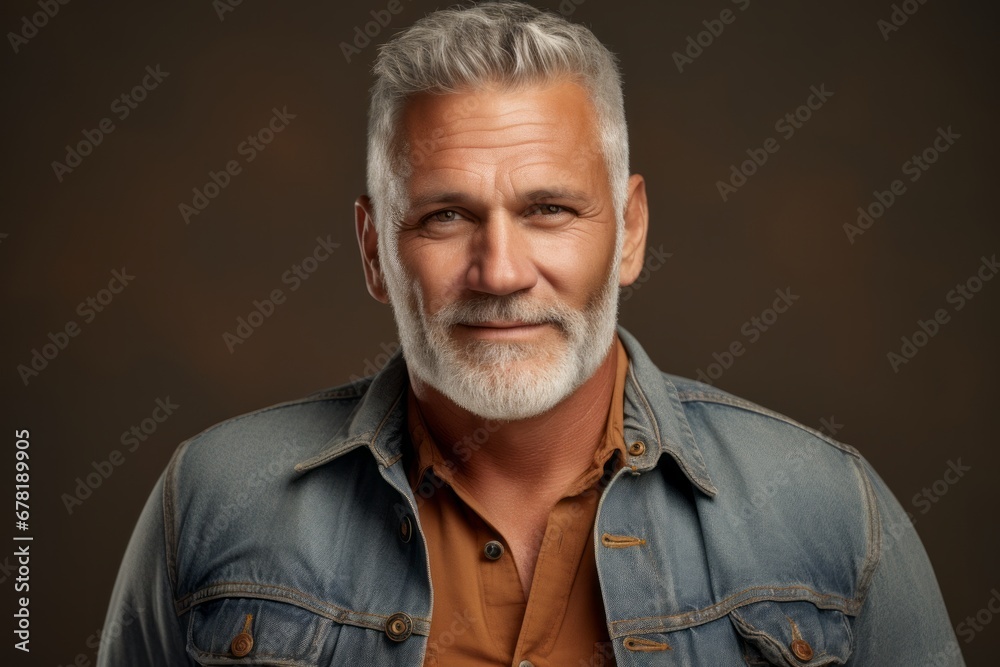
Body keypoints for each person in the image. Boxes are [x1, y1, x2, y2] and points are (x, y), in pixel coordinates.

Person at [99, 2, 964, 665]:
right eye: (444, 215)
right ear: (373, 251)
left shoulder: (829, 514)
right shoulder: (212, 502)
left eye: (549, 209)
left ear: (628, 232)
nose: (501, 270)